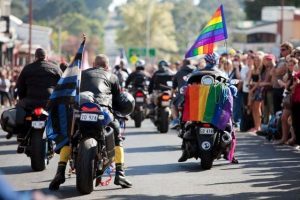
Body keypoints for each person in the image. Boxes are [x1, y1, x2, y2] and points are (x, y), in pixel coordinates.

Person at [49, 54, 133, 190]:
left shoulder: (80, 75)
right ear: (106, 66)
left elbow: (71, 92)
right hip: (103, 111)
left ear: (93, 64)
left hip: (80, 111)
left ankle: (60, 172)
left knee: (68, 139)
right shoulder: (112, 77)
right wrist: (119, 113)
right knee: (117, 140)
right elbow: (118, 100)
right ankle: (120, 174)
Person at [13, 48, 62, 141]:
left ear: (35, 57)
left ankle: (21, 134)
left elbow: (20, 86)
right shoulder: (55, 68)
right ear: (46, 57)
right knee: (59, 114)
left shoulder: (27, 68)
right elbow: (62, 85)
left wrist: (22, 98)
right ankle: (58, 134)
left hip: (30, 101)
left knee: (19, 107)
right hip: (49, 102)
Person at [171, 59, 195, 129]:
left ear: (183, 64)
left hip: (182, 97)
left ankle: (176, 120)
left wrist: (171, 96)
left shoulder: (179, 72)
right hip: (195, 97)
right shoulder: (196, 72)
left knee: (173, 104)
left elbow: (173, 87)